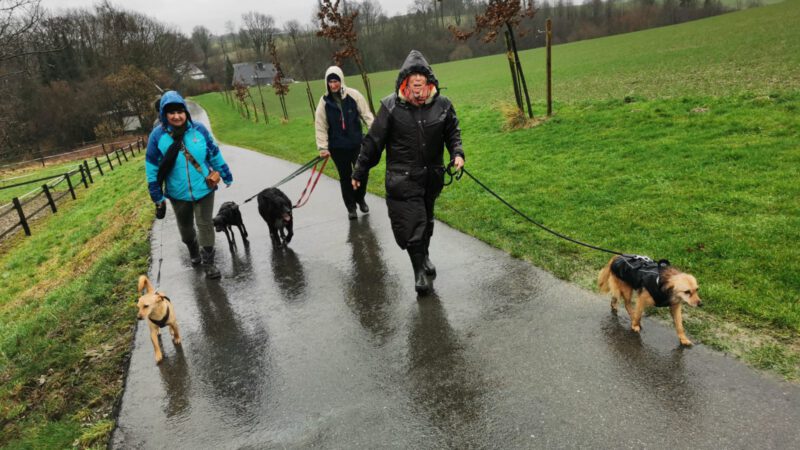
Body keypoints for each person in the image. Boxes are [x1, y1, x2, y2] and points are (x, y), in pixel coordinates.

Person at [351, 50, 465, 295]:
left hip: (431, 178)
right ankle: (418, 272)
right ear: (405, 83)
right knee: (413, 224)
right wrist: (359, 171)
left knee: (427, 221)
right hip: (403, 178)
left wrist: (457, 153)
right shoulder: (391, 107)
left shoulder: (443, 105)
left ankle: (424, 257)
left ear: (429, 83)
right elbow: (373, 142)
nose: (417, 89)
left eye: (421, 83)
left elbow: (452, 132)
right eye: (412, 82)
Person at [145, 90, 233, 279]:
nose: (177, 116)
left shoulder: (198, 130)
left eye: (180, 111)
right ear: (164, 114)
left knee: (205, 225)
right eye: (171, 112)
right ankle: (193, 248)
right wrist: (156, 195)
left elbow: (213, 153)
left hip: (204, 188)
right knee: (186, 231)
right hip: (178, 193)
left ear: (186, 112)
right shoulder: (157, 137)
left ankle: (209, 263)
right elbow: (151, 168)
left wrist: (225, 174)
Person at [315, 65, 374, 220]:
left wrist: (375, 134)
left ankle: (360, 198)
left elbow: (367, 115)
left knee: (362, 173)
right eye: (330, 82)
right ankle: (351, 208)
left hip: (356, 144)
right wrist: (323, 147)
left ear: (341, 80)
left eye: (336, 81)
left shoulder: (354, 95)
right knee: (345, 177)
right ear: (326, 83)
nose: (333, 85)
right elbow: (320, 126)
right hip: (337, 147)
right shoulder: (324, 102)